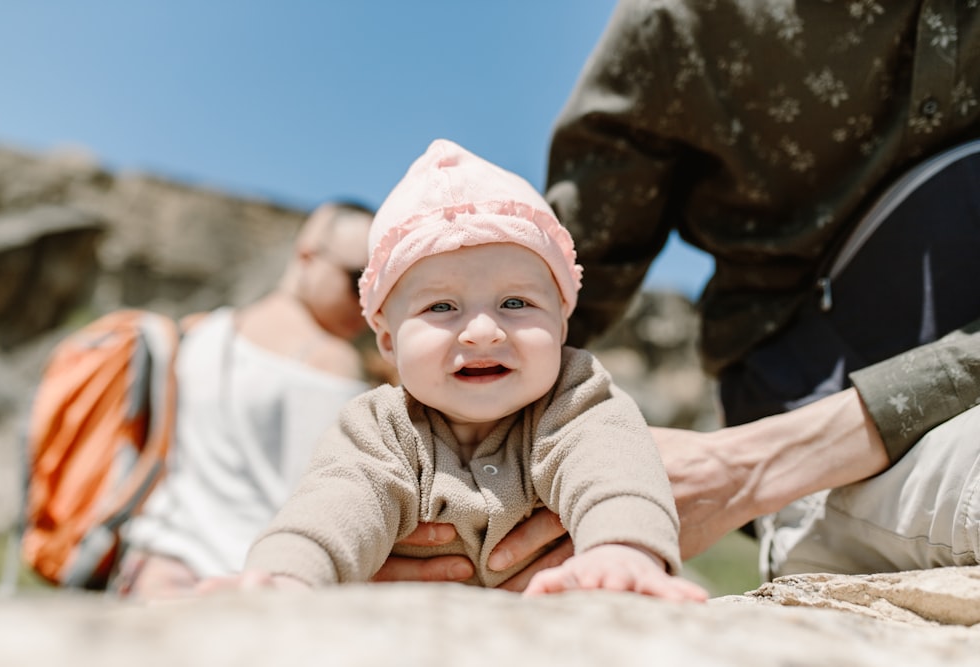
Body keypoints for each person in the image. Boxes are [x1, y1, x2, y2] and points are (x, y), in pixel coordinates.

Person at [378, 0, 980, 585]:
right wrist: (421, 482)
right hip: (829, 441)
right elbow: (550, 288)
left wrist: (742, 470)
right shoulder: (684, 17)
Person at [231, 138, 706, 600]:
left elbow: (614, 469)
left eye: (515, 302)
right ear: (390, 342)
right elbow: (334, 504)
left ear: (562, 322)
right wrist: (288, 575)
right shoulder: (381, 426)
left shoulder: (574, 395)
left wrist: (621, 550)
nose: (482, 331)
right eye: (441, 306)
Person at [114, 200, 378, 597]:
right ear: (308, 253)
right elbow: (329, 505)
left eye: (380, 289)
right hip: (240, 585)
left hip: (150, 570)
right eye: (358, 279)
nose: (367, 304)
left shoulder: (203, 332)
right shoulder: (331, 361)